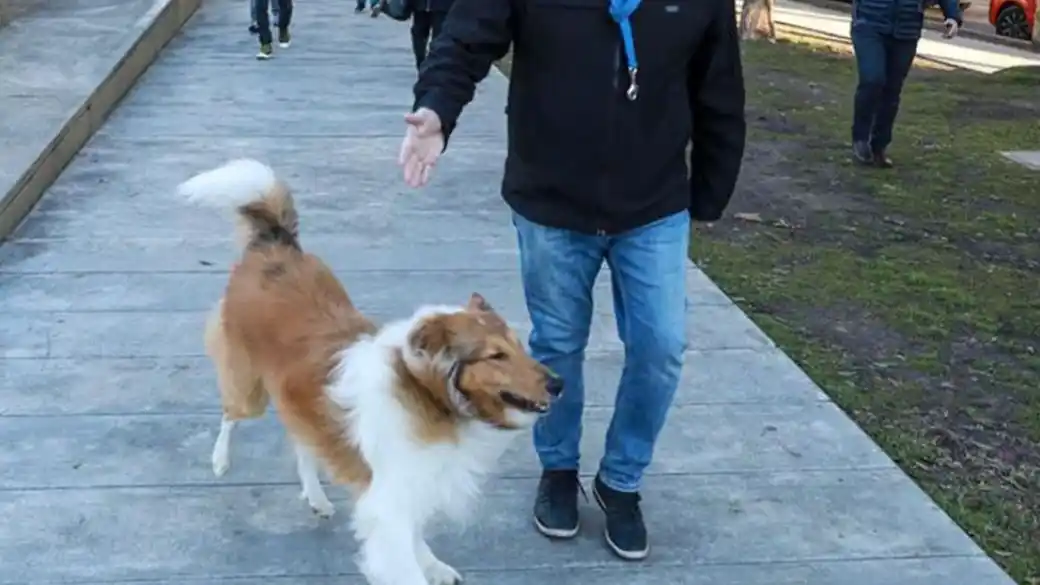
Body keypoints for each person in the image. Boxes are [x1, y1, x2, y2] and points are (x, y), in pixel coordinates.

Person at [398, 0, 746, 561]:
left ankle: (621, 481)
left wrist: (710, 190)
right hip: (551, 204)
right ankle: (558, 468)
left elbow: (719, 87)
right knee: (558, 344)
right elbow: (466, 37)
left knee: (661, 346)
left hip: (653, 204)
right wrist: (437, 108)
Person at [850, 0, 961, 167]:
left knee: (892, 90)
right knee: (872, 79)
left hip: (906, 30)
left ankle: (879, 146)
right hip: (869, 23)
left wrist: (952, 16)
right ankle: (860, 138)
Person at [409, 0, 455, 71]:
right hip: (420, 5)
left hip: (442, 6)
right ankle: (421, 63)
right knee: (419, 34)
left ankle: (434, 64)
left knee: (438, 37)